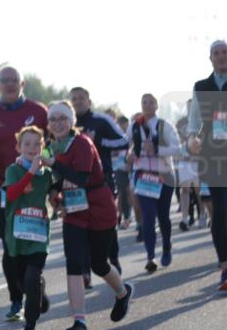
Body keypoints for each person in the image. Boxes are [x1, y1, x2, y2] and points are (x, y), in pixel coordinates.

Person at [44, 100, 133, 330]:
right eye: (53, 119)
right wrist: (53, 192)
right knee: (73, 263)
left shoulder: (82, 143)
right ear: (49, 124)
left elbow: (80, 178)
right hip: (74, 209)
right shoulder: (51, 146)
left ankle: (123, 292)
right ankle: (80, 323)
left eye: (63, 118)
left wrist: (54, 164)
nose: (58, 123)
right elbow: (57, 177)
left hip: (98, 204)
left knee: (98, 264)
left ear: (72, 121)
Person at [0, 65, 48, 322]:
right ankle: (17, 299)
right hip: (1, 187)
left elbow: (53, 143)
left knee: (33, 239)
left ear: (22, 83)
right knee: (10, 245)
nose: (9, 84)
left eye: (14, 80)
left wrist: (46, 165)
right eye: (4, 80)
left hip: (33, 187)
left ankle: (34, 284)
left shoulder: (38, 111)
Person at [70, 87, 131, 282]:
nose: (78, 102)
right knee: (82, 226)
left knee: (108, 226)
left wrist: (100, 142)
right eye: (74, 99)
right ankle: (86, 270)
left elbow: (123, 142)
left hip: (102, 180)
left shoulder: (101, 121)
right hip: (76, 183)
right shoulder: (66, 122)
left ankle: (113, 259)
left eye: (81, 98)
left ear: (89, 101)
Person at [3, 126, 54, 330]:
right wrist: (31, 172)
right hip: (16, 238)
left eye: (37, 144)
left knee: (32, 278)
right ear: (18, 147)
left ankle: (30, 328)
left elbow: (54, 194)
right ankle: (39, 294)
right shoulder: (13, 170)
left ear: (43, 147)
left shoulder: (48, 174)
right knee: (22, 283)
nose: (32, 148)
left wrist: (58, 202)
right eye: (27, 144)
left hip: (38, 237)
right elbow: (12, 194)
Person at [186, 39, 227, 290]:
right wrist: (192, 139)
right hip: (213, 157)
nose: (221, 56)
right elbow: (194, 123)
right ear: (210, 58)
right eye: (217, 53)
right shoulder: (201, 87)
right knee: (220, 213)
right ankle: (225, 268)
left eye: (225, 52)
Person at [128, 93, 180, 273]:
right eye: (144, 102)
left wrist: (157, 148)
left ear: (157, 106)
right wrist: (128, 154)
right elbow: (124, 143)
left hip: (164, 175)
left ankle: (166, 245)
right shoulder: (134, 125)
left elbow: (177, 148)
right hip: (144, 177)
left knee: (163, 216)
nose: (147, 105)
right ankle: (150, 256)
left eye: (151, 102)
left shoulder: (165, 126)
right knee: (148, 217)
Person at [113, 115, 135, 229]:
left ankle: (129, 215)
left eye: (124, 124)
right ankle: (124, 217)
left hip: (132, 168)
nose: (122, 127)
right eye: (119, 124)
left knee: (129, 193)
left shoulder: (131, 137)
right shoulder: (114, 138)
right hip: (119, 169)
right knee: (121, 193)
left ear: (127, 124)